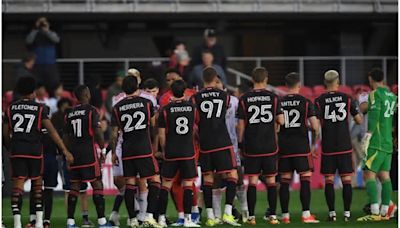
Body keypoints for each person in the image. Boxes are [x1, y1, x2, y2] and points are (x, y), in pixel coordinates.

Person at [2, 76, 73, 228]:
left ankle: (17, 223)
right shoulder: (40, 109)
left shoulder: (10, 108)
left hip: (17, 150)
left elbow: (5, 132)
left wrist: (11, 147)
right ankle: (40, 222)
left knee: (17, 187)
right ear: (33, 90)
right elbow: (52, 132)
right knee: (37, 186)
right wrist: (64, 149)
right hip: (34, 151)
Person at [191, 67, 240, 226]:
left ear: (203, 79)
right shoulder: (225, 96)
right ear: (215, 78)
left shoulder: (195, 97)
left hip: (206, 143)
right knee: (232, 175)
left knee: (207, 179)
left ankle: (211, 216)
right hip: (222, 141)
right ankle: (227, 213)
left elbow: (194, 123)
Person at [110, 76, 162, 228]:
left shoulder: (117, 107)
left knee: (130, 184)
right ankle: (149, 216)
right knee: (154, 181)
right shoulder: (147, 103)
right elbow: (153, 127)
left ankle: (132, 219)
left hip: (127, 149)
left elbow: (114, 134)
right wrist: (154, 145)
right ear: (138, 87)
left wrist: (114, 153)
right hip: (143, 148)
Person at [236, 67, 283, 225]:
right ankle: (273, 216)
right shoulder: (273, 97)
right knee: (271, 181)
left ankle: (251, 217)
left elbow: (240, 125)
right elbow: (281, 120)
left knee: (253, 180)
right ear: (266, 79)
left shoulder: (244, 98)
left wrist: (240, 143)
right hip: (269, 144)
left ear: (252, 79)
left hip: (252, 145)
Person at [314, 70, 363, 222]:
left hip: (328, 145)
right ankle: (347, 214)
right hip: (344, 144)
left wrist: (314, 144)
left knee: (329, 179)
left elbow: (316, 125)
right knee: (346, 179)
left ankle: (332, 214)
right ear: (338, 82)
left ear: (325, 83)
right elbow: (359, 120)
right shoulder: (347, 98)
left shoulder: (319, 100)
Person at [63, 85, 110, 228]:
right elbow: (97, 131)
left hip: (74, 154)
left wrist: (67, 153)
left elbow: (66, 136)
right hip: (88, 153)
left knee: (75, 186)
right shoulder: (92, 111)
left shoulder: (69, 114)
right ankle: (102, 222)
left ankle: (70, 222)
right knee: (97, 183)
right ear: (87, 94)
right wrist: (102, 149)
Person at [277, 72, 320, 224]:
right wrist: (314, 145)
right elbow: (315, 126)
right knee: (305, 179)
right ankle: (306, 214)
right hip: (301, 147)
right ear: (299, 85)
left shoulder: (279, 102)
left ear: (286, 85)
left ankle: (285, 216)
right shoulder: (306, 101)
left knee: (284, 181)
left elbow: (276, 126)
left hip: (284, 147)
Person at [157, 80, 200, 228]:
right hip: (188, 151)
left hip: (171, 152)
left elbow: (161, 135)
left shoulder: (164, 110)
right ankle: (188, 220)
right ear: (185, 91)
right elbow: (197, 128)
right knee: (188, 184)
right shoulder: (192, 108)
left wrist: (164, 150)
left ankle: (161, 218)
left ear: (171, 91)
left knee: (166, 185)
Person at [357, 68, 398, 221]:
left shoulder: (375, 94)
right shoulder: (393, 96)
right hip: (388, 141)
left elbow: (374, 116)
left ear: (370, 79)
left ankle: (374, 212)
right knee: (385, 176)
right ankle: (385, 211)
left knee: (368, 173)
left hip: (377, 141)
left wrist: (368, 135)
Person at [214, 79, 249, 223]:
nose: (216, 87)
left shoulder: (234, 101)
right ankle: (217, 215)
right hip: (215, 146)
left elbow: (240, 122)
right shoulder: (207, 102)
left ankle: (245, 211)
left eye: (218, 84)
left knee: (238, 178)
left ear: (223, 87)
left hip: (232, 146)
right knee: (216, 179)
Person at [25, 17, 60, 94]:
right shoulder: (34, 33)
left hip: (50, 64)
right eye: (41, 22)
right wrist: (36, 28)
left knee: (52, 84)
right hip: (38, 64)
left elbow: (56, 40)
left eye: (44, 22)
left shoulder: (51, 33)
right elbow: (28, 41)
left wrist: (47, 30)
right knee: (37, 84)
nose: (42, 24)